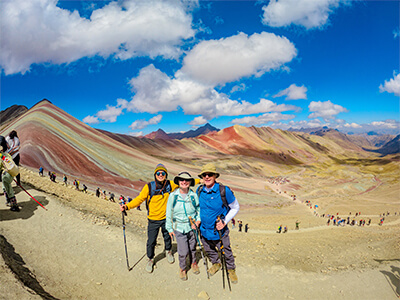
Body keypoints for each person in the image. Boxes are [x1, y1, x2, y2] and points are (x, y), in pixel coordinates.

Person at [120, 164, 180, 273]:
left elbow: (184, 181)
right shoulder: (149, 187)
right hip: (153, 219)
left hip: (166, 218)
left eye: (163, 173)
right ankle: (150, 259)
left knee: (167, 237)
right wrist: (127, 206)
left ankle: (168, 251)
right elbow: (139, 199)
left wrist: (200, 181)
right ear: (155, 175)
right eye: (158, 173)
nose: (160, 175)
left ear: (166, 175)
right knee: (151, 241)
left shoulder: (170, 184)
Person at [196, 163, 239, 284]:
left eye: (210, 174)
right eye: (205, 174)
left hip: (219, 231)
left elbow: (235, 207)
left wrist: (225, 221)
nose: (207, 177)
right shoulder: (199, 191)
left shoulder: (223, 191)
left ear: (215, 176)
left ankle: (231, 269)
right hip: (204, 230)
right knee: (208, 249)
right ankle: (216, 263)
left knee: (226, 250)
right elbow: (197, 208)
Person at [166, 171, 200, 281]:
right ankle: (183, 268)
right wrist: (169, 228)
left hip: (192, 227)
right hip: (179, 227)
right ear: (178, 182)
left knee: (192, 247)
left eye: (186, 180)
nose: (184, 182)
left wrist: (198, 221)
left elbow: (199, 210)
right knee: (183, 251)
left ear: (190, 182)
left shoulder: (194, 196)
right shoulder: (173, 196)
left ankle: (193, 262)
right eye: (181, 180)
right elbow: (168, 212)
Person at [0, 136, 19, 211]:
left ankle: (14, 205)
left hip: (6, 175)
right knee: (5, 187)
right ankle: (9, 201)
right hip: (10, 173)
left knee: (8, 188)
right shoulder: (5, 154)